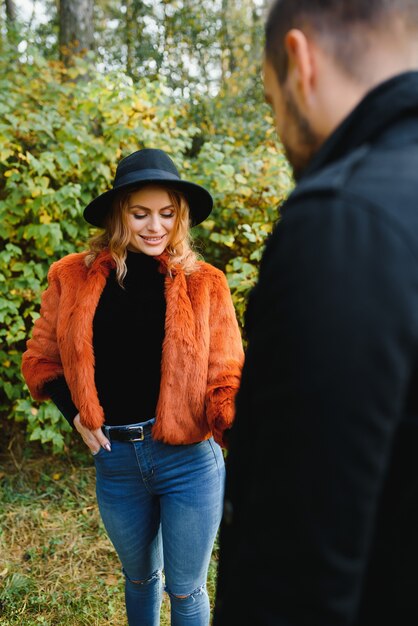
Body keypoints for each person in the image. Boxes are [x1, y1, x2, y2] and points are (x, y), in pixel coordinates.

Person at [213, 1, 418, 625]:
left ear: (301, 62)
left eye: (273, 103)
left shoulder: (342, 219)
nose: (280, 131)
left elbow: (290, 569)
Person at [21, 147, 244, 626]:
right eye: (140, 214)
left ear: (180, 218)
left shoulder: (206, 283)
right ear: (119, 215)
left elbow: (226, 378)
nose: (154, 227)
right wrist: (75, 414)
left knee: (186, 591)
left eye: (166, 214)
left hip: (189, 462)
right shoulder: (71, 277)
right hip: (116, 462)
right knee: (140, 578)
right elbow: (42, 358)